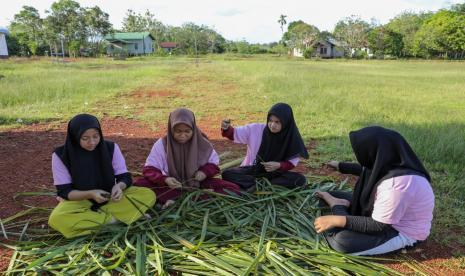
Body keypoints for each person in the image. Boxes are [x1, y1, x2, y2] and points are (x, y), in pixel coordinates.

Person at [314, 126, 434, 255]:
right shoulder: (392, 162)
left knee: (342, 241)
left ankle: (338, 206)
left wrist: (336, 218)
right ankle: (341, 207)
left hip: (397, 231)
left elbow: (378, 226)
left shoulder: (397, 185)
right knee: (332, 195)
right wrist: (340, 165)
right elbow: (365, 169)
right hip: (385, 215)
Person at [48, 114, 156, 238]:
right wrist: (91, 194)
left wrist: (119, 187)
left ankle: (97, 221)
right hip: (80, 201)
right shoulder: (61, 155)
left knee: (148, 195)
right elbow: (64, 191)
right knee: (56, 219)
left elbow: (125, 177)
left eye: (96, 136)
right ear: (75, 136)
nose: (92, 142)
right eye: (85, 138)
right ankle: (115, 220)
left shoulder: (111, 148)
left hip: (109, 198)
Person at [135, 108, 240, 207]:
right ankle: (193, 199)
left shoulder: (202, 143)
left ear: (193, 129)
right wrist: (165, 179)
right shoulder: (162, 144)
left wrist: (204, 172)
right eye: (178, 131)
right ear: (171, 129)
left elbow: (214, 164)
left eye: (187, 131)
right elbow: (149, 169)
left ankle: (177, 200)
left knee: (232, 188)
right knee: (138, 185)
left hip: (199, 185)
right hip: (171, 187)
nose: (182, 135)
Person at [221, 103, 309, 190]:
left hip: (275, 174)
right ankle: (261, 186)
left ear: (286, 122)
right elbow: (234, 133)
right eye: (270, 121)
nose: (272, 125)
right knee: (227, 173)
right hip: (252, 170)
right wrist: (227, 129)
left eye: (277, 122)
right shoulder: (256, 129)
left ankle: (257, 186)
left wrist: (279, 165)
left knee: (300, 179)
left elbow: (291, 163)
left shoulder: (291, 137)